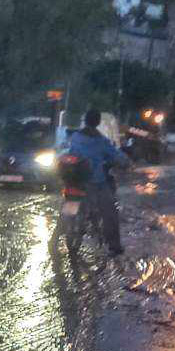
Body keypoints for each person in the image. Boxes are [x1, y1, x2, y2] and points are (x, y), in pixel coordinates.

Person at [60, 109, 130, 256]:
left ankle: (59, 231)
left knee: (66, 206)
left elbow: (66, 151)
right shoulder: (101, 141)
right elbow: (117, 156)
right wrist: (126, 162)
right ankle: (114, 246)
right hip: (94, 182)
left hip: (73, 181)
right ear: (97, 122)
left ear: (85, 121)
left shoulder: (75, 137)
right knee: (110, 212)